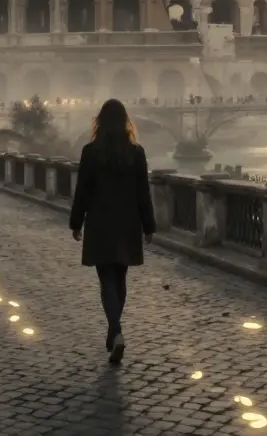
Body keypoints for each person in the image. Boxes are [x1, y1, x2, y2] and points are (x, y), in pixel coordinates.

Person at [69, 98, 156, 366]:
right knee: (120, 279)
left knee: (106, 279)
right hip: (127, 223)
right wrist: (149, 225)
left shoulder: (90, 152)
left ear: (100, 122)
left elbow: (82, 191)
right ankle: (114, 328)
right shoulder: (136, 153)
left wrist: (76, 222)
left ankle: (115, 330)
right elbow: (144, 193)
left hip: (100, 223)